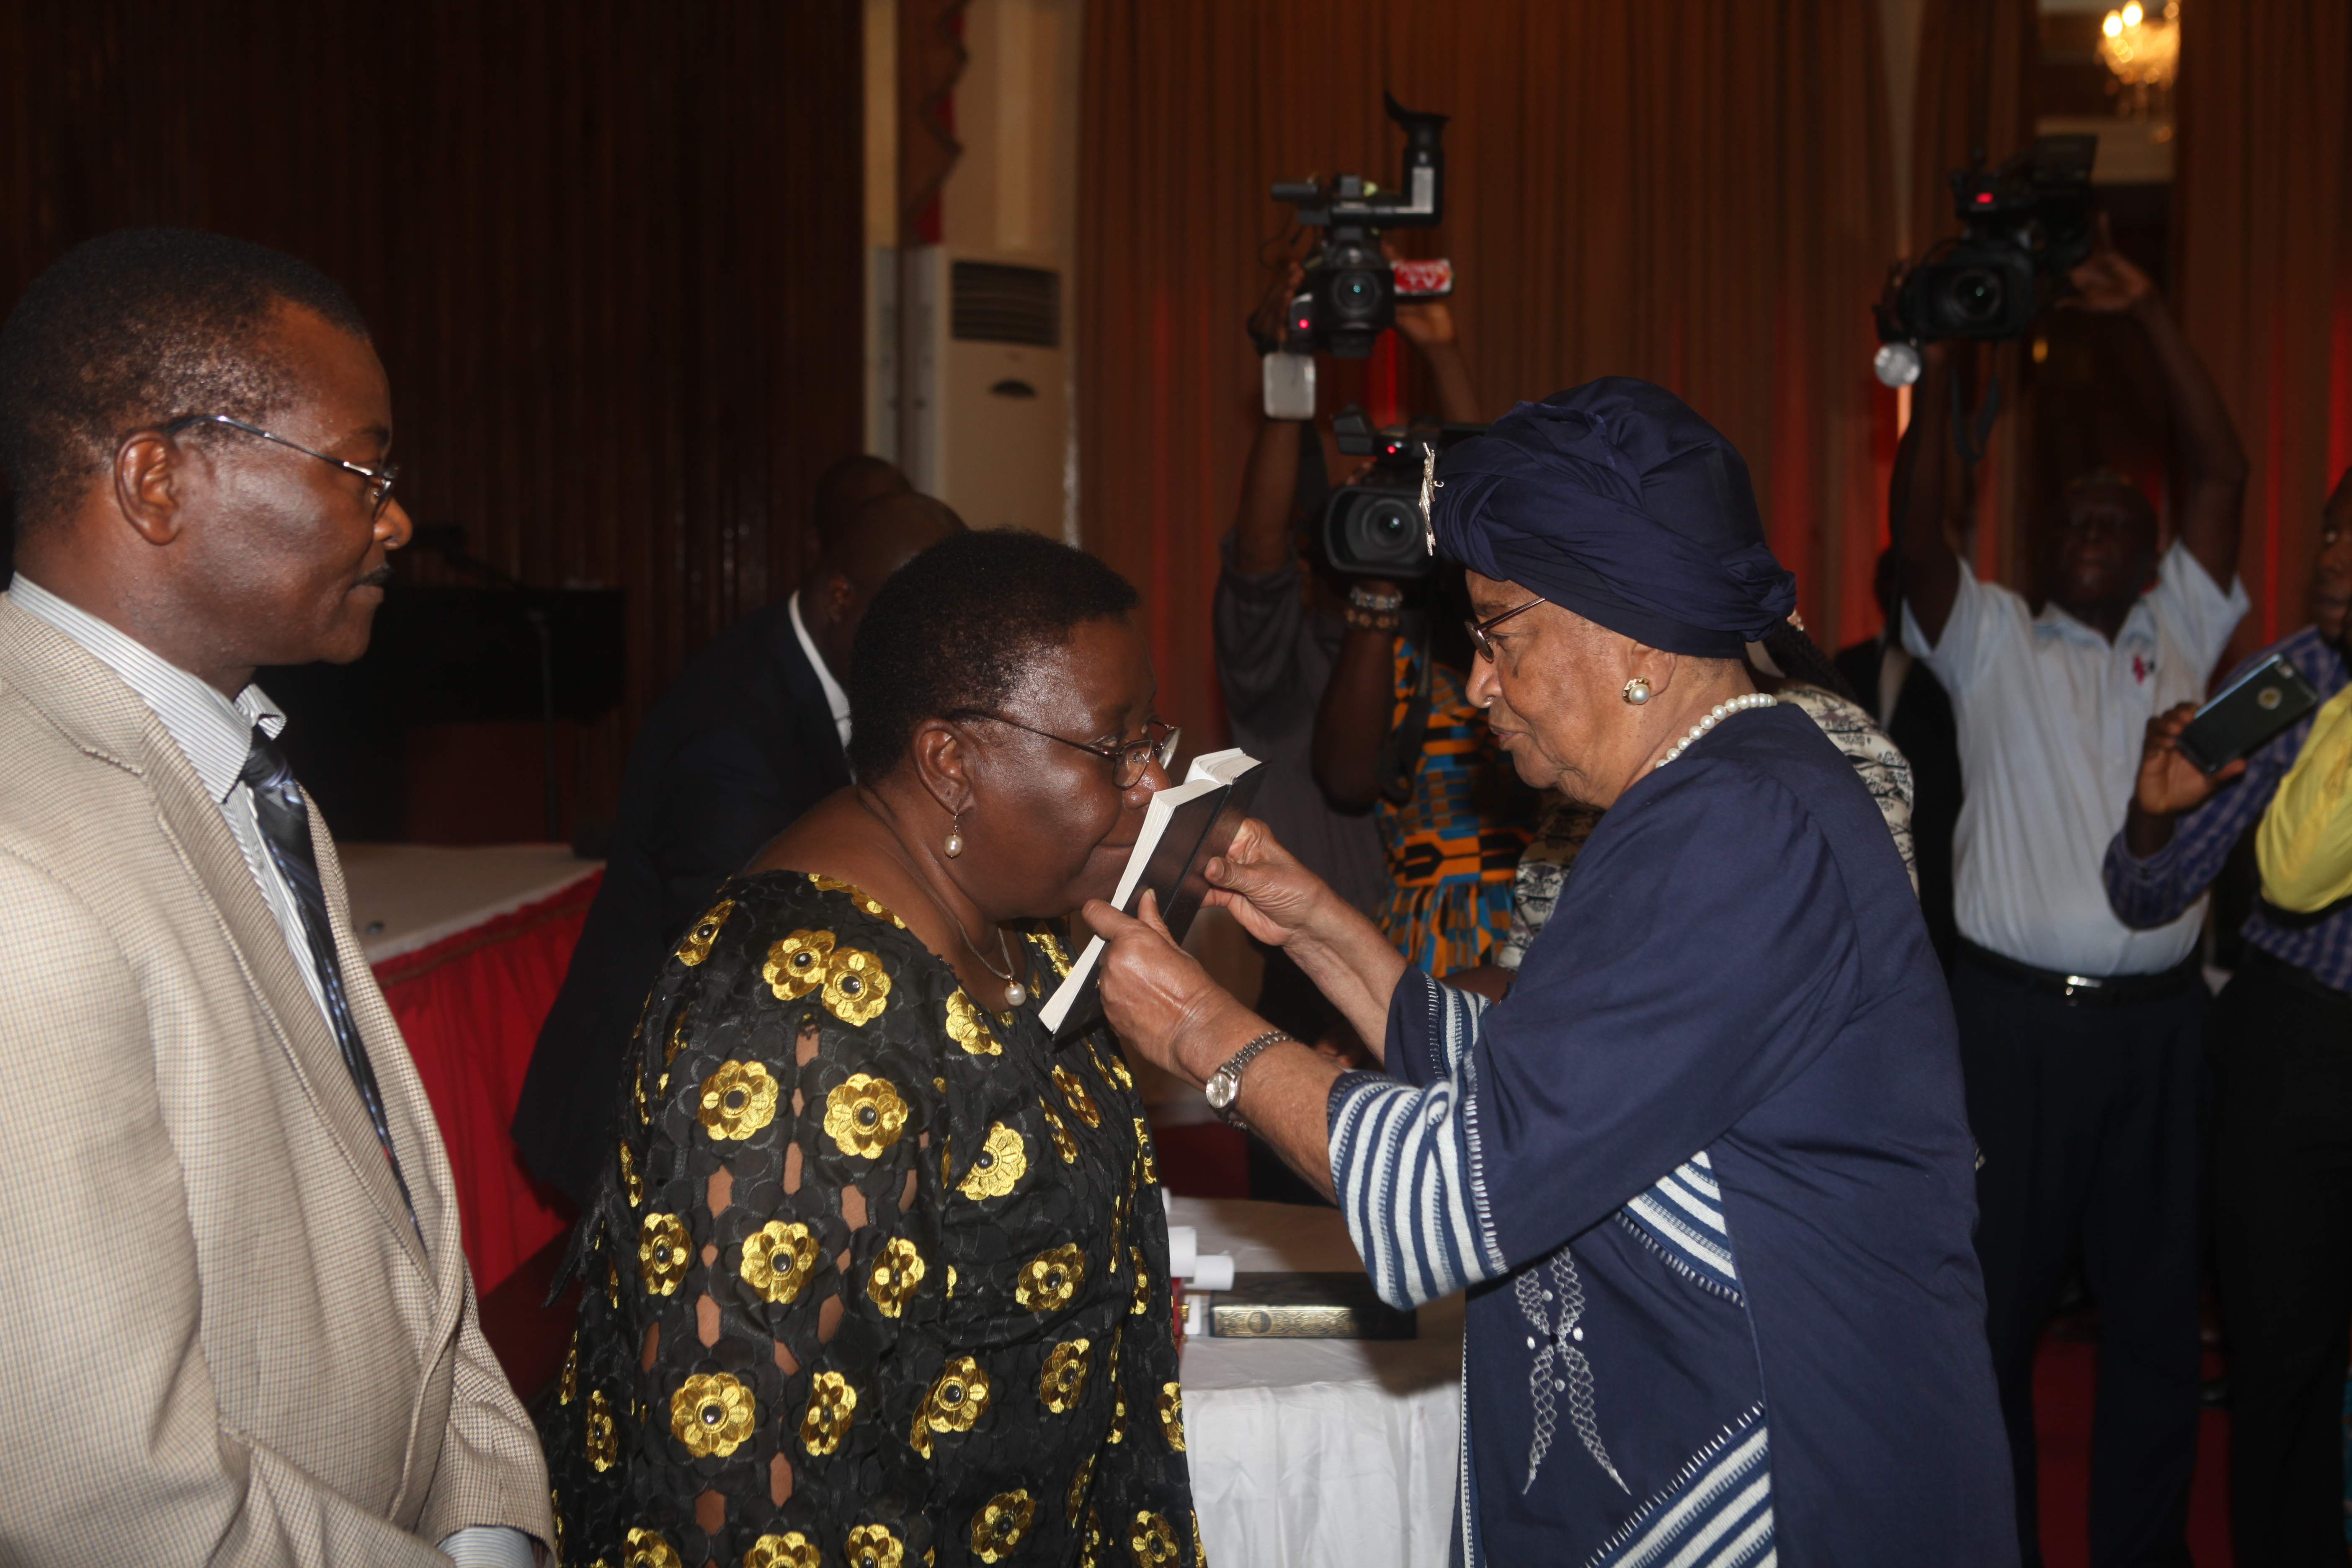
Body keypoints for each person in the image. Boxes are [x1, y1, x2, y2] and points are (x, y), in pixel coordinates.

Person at [1088, 379, 2013, 1563]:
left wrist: (1203, 1036)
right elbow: (1556, 1092)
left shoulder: (1737, 826)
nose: (1477, 688)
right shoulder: (1715, 794)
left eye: (1499, 635)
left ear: (1629, 633)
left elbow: (1450, 1197)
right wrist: (1322, 929)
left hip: (1789, 1467)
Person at [0, 228, 547, 1561]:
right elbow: (104, 1502)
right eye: (362, 470)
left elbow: (401, 1233)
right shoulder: (23, 868)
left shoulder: (238, 757)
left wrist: (491, 1521)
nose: (397, 520)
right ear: (157, 478)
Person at [544, 529, 1198, 1568]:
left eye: (1151, 738)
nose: (1149, 783)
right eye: (1114, 748)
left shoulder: (1006, 916)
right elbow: (734, 1473)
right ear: (952, 759)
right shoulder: (798, 1014)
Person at [1896, 227, 2249, 1567]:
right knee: (1992, 1322)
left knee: (2156, 1329)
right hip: (2011, 1039)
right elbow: (1919, 534)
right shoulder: (1991, 643)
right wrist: (1932, 364)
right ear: (2045, 550)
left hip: (2160, 1034)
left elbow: (2222, 467)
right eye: (2075, 523)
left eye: (2120, 523)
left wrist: (2151, 312)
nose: (2096, 534)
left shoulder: (2185, 635)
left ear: (2152, 550)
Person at [516, 483, 964, 1207]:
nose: (932, 660)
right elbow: (742, 980)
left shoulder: (834, 674)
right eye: (911, 630)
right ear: (843, 596)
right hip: (651, 1121)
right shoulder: (732, 739)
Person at [2101, 470, 2352, 1568]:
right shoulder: (2288, 684)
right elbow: (2147, 894)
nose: (2336, 555)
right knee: (2283, 1369)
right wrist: (2150, 823)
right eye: (2334, 530)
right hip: (2298, 1057)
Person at [1836, 545, 1963, 965]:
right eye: (1889, 578)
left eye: (1908, 580)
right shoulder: (1845, 665)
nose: (1897, 591)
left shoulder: (1957, 672)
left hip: (1936, 864)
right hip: (1856, 858)